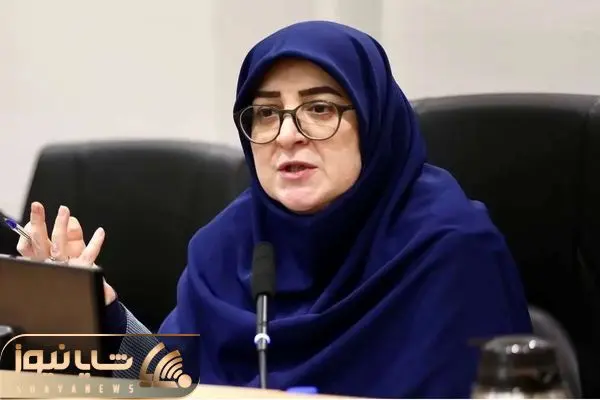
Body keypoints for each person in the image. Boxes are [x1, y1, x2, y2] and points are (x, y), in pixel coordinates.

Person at [15, 20, 533, 398]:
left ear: (374, 122)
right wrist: (95, 315)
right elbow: (172, 386)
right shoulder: (225, 247)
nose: (287, 136)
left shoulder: (451, 249)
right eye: (265, 113)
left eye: (319, 108)